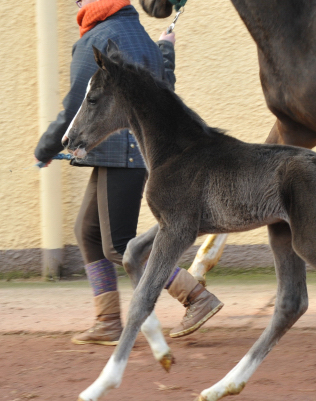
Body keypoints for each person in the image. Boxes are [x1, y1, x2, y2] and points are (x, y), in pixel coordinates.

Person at [35, 0, 224, 345]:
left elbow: (77, 106)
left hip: (120, 153)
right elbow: (165, 88)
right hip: (131, 152)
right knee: (87, 231)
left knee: (121, 245)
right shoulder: (139, 35)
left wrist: (47, 147)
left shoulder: (99, 38)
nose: (78, 2)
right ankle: (107, 319)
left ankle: (195, 297)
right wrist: (165, 51)